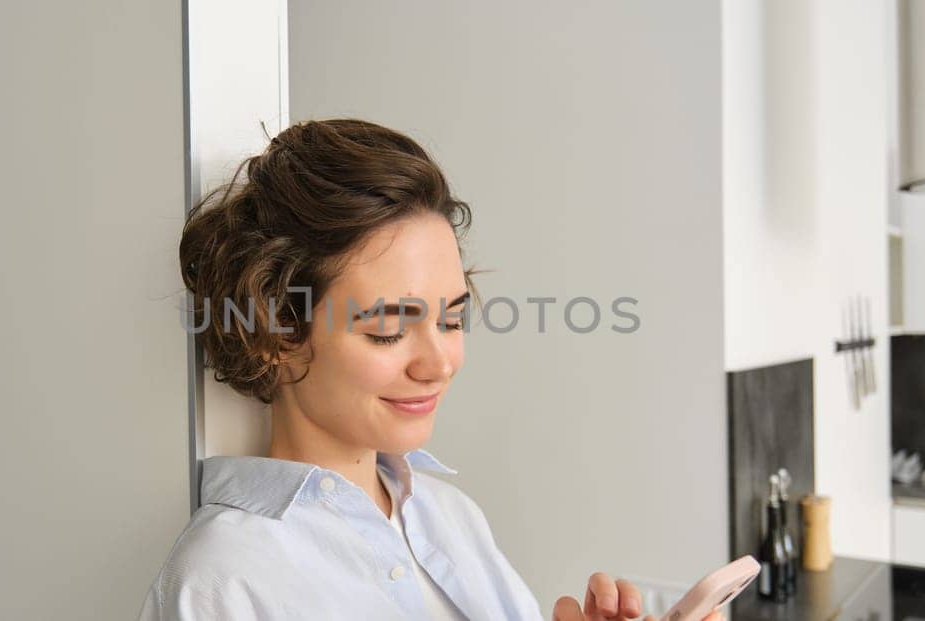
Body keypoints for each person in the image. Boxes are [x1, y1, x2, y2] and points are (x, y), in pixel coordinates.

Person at [142, 119, 721, 621]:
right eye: (388, 330)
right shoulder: (223, 579)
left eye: (450, 320)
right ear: (276, 332)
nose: (440, 364)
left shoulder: (450, 517)